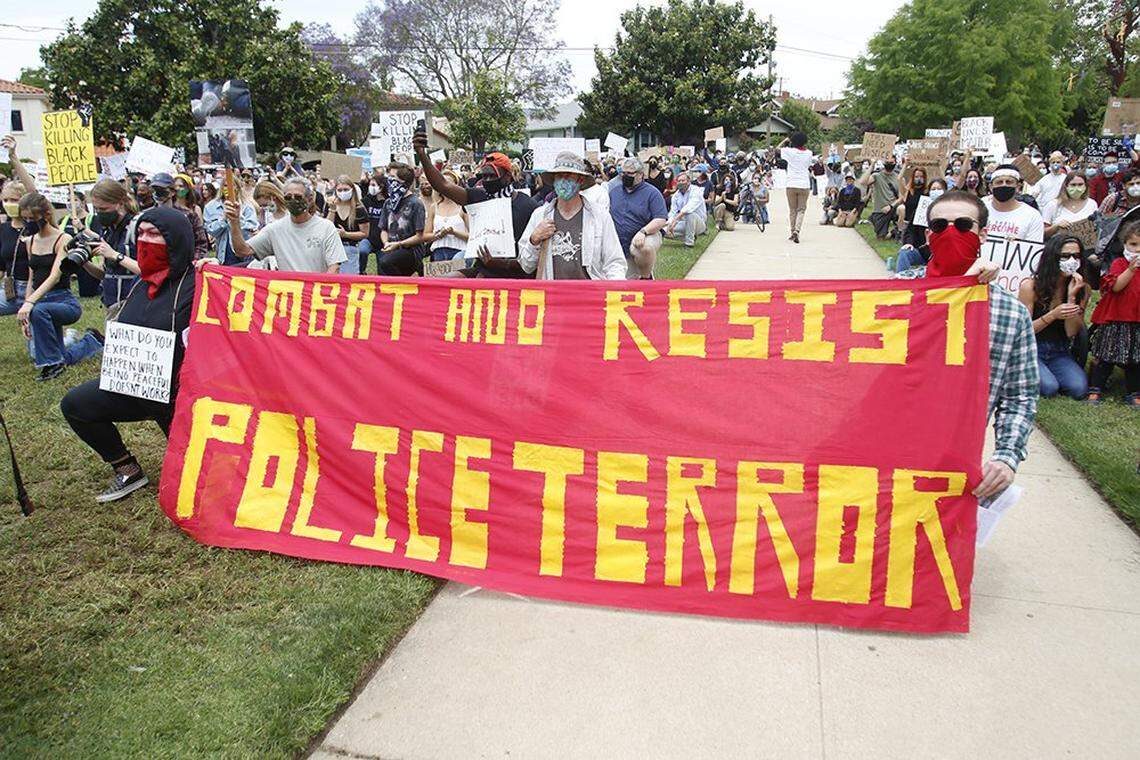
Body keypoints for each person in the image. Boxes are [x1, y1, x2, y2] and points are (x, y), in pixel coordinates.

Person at [60, 207, 197, 502]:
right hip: (135, 387)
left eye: (155, 234)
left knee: (200, 481)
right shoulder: (141, 284)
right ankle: (127, 469)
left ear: (177, 239)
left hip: (182, 399)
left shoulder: (200, 283)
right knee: (76, 404)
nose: (145, 241)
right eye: (142, 233)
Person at [919, 190, 1039, 499]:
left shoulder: (1011, 314)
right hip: (888, 443)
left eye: (962, 225)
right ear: (928, 234)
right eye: (939, 226)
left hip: (954, 455)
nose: (950, 233)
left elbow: (1020, 395)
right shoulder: (897, 296)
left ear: (982, 233)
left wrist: (1007, 456)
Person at [412, 128, 538, 278]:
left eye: (492, 176)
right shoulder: (478, 196)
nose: (487, 181)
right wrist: (422, 154)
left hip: (514, 274)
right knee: (447, 282)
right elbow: (442, 185)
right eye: (484, 176)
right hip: (483, 268)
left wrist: (502, 264)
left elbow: (533, 255)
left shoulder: (528, 206)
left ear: (508, 177)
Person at [14, 193, 103, 381]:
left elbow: (55, 276)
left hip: (64, 302)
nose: (29, 222)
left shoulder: (62, 239)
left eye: (32, 218)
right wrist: (26, 311)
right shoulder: (29, 241)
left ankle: (52, 366)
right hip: (40, 304)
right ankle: (91, 342)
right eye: (25, 218)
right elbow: (32, 278)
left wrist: (30, 304)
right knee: (58, 354)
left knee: (40, 317)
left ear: (45, 215)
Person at [517, 152, 625, 280]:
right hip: (552, 296)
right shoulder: (540, 215)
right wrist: (534, 240)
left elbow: (615, 263)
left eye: (568, 176)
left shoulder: (600, 217)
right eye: (559, 176)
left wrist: (612, 292)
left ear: (580, 180)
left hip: (589, 296)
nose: (563, 181)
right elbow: (526, 265)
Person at [1018, 235, 1090, 399]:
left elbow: (1071, 332)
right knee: (1049, 388)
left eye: (1076, 256)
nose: (1071, 260)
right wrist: (1052, 315)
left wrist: (1072, 298)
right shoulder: (1030, 286)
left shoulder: (1082, 289)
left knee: (1078, 388)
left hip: (1060, 350)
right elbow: (1024, 331)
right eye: (1065, 256)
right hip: (1032, 348)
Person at [224, 177, 346, 273]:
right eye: (288, 197)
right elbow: (242, 251)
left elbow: (334, 268)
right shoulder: (274, 229)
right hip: (287, 298)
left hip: (314, 297)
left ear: (309, 199)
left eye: (298, 197)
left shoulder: (326, 228)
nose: (293, 200)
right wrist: (235, 222)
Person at [1086, 218, 1140, 407]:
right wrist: (1131, 270)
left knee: (1134, 359)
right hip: (1116, 319)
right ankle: (1095, 389)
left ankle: (1133, 392)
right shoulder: (1119, 264)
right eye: (1133, 244)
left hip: (1136, 320)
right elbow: (1116, 286)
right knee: (1106, 357)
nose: (1137, 250)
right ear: (1124, 244)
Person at [609, 157, 668, 279]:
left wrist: (643, 231)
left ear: (640, 174)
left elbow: (661, 219)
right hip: (619, 242)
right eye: (623, 173)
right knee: (623, 282)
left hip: (646, 234)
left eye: (630, 173)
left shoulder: (652, 193)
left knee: (643, 247)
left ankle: (646, 278)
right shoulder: (614, 192)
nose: (625, 176)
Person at [86, 178, 141, 306]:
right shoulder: (108, 230)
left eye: (104, 209)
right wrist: (84, 262)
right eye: (96, 209)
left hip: (134, 303)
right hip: (111, 304)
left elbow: (147, 271)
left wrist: (115, 255)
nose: (100, 213)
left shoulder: (137, 227)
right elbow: (106, 275)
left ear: (120, 204)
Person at [376, 163, 426, 276]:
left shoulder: (415, 203)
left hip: (410, 250)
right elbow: (384, 229)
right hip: (391, 248)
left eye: (393, 178)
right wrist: (386, 243)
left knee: (386, 262)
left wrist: (399, 244)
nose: (390, 181)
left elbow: (419, 236)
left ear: (403, 181)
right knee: (382, 269)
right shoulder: (388, 203)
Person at [149, 173, 209, 259]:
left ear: (172, 192)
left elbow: (201, 243)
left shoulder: (189, 215)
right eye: (155, 189)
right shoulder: (148, 216)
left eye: (162, 189)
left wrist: (193, 262)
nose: (158, 193)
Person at [984, 165, 1045, 243]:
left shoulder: (1032, 216)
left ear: (1018, 187)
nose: (1004, 185)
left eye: (1009, 182)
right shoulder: (980, 210)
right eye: (999, 182)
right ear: (991, 187)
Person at [203, 180, 258, 265]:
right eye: (225, 185)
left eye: (232, 185)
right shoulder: (211, 207)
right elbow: (211, 231)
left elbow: (252, 227)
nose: (228, 188)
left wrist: (236, 219)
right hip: (224, 254)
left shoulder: (247, 206)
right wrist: (224, 219)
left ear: (237, 188)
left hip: (244, 252)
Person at [326, 174, 368, 275]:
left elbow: (365, 233)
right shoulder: (331, 205)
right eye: (339, 190)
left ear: (352, 189)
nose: (342, 192)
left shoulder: (359, 209)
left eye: (345, 189)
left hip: (350, 249)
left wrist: (346, 234)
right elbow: (326, 227)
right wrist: (332, 209)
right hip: (332, 249)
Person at [425, 169, 470, 262]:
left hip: (460, 252)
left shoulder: (463, 207)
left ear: (456, 185)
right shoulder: (434, 207)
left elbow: (472, 236)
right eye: (442, 183)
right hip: (438, 252)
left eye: (448, 183)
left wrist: (454, 232)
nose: (445, 186)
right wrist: (438, 234)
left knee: (454, 276)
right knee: (441, 276)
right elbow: (425, 236)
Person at [778, 131, 813, 243]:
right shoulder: (809, 153)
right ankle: (797, 230)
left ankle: (792, 231)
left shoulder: (789, 152)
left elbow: (776, 149)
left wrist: (786, 141)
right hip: (804, 184)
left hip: (791, 183)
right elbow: (808, 165)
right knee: (801, 210)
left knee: (792, 210)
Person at [1041, 171, 1097, 239]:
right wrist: (1056, 226)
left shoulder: (1092, 204)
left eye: (1080, 184)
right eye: (1073, 185)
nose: (1077, 188)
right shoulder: (1053, 205)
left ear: (1085, 186)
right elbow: (1042, 232)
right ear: (1066, 186)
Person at [859, 158, 900, 240]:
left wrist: (891, 206)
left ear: (895, 162)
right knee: (881, 238)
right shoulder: (876, 176)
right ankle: (892, 233)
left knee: (902, 210)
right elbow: (863, 182)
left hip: (894, 207)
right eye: (887, 162)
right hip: (880, 210)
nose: (889, 163)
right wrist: (872, 165)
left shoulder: (898, 177)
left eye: (891, 162)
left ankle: (900, 230)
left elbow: (902, 197)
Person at [664, 171, 707, 247]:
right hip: (683, 222)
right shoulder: (676, 196)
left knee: (690, 214)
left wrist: (676, 220)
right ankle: (690, 236)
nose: (680, 183)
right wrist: (670, 224)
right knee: (663, 231)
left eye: (683, 180)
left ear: (688, 181)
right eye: (679, 181)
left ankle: (689, 243)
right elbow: (672, 212)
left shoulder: (696, 190)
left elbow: (689, 208)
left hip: (699, 223)